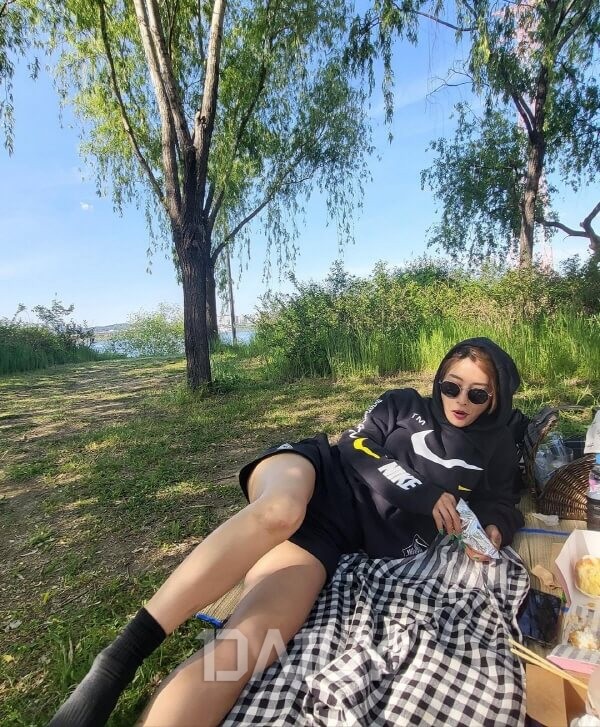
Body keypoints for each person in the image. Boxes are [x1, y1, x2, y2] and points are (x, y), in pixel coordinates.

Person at [50, 337, 527, 727]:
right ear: (438, 381)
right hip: (313, 473)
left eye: (477, 394)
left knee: (246, 647)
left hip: (329, 538)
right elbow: (356, 446)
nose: (459, 401)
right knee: (279, 512)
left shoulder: (497, 447)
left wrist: (493, 529)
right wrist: (423, 494)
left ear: (496, 398)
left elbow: (501, 503)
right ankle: (119, 660)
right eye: (451, 386)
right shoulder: (403, 404)